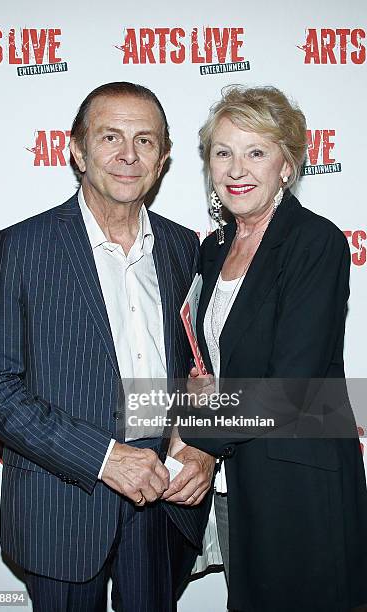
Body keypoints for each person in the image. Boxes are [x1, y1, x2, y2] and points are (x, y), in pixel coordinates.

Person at [0, 82, 215, 612]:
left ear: (163, 158)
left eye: (145, 141)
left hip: (163, 500)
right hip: (63, 500)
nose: (128, 155)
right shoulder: (23, 247)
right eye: (110, 137)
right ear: (76, 149)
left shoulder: (181, 246)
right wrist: (103, 458)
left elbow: (199, 365)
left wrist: (200, 444)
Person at [178, 85, 367, 611]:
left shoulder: (316, 242)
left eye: (255, 152)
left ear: (287, 164)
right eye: (223, 152)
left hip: (297, 479)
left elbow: (290, 387)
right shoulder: (212, 249)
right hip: (238, 480)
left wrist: (198, 436)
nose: (237, 168)